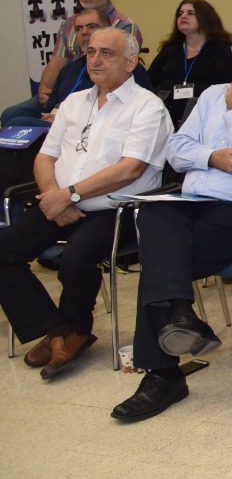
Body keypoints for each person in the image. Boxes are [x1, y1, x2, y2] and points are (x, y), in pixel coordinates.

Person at [110, 21, 232, 421]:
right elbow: (176, 149)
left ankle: (164, 375)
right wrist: (213, 157)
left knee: (159, 265)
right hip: (190, 202)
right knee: (155, 211)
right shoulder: (213, 93)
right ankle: (181, 317)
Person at [0, 28, 171, 380]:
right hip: (60, 203)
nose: (95, 59)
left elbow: (130, 169)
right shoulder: (75, 102)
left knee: (74, 259)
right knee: (3, 250)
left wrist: (69, 195)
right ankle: (59, 331)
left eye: (107, 53)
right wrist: (54, 197)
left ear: (130, 62)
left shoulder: (148, 107)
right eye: (91, 51)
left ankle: (74, 329)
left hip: (118, 210)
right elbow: (45, 157)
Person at [16, 0, 142, 126]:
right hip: (65, 88)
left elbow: (113, 74)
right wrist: (45, 90)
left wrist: (63, 111)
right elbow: (57, 61)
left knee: (19, 122)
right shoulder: (69, 23)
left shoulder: (124, 25)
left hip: (95, 93)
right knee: (10, 114)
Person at [145, 0, 232, 119]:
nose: (183, 16)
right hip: (166, 116)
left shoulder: (222, 50)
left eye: (191, 13)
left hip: (205, 116)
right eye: (180, 13)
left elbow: (227, 88)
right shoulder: (170, 49)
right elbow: (149, 82)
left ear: (206, 18)